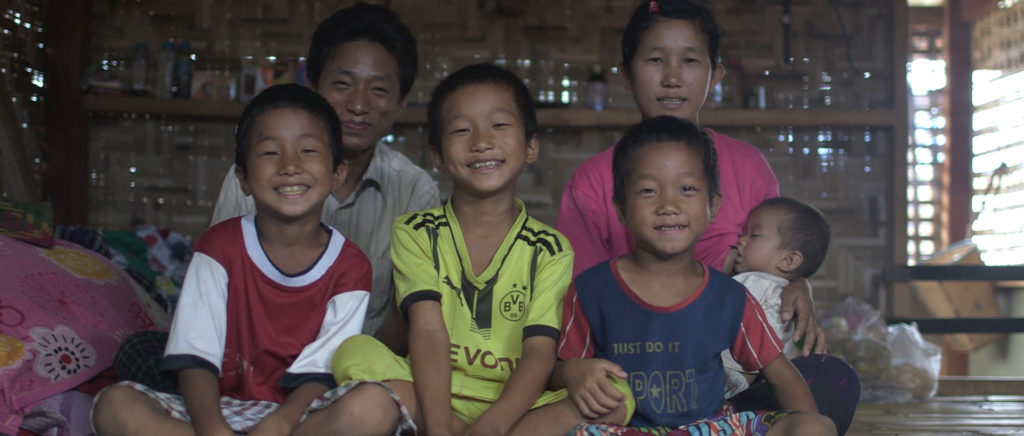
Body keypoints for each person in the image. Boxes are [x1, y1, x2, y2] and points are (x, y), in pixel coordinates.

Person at [554, 2, 860, 434]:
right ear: (626, 72)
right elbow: (578, 310)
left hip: (736, 377)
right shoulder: (590, 182)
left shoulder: (749, 167)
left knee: (833, 379)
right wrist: (576, 374)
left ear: (715, 74)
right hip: (629, 388)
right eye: (656, 59)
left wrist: (797, 283)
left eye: (691, 61)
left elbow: (778, 254)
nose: (673, 77)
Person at [92, 84, 373, 435]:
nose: (290, 165)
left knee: (373, 407)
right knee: (114, 406)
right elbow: (196, 355)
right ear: (242, 178)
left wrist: (282, 422)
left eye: (308, 150)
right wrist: (212, 428)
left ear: (337, 173)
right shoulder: (219, 247)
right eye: (270, 152)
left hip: (301, 418)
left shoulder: (351, 265)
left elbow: (325, 369)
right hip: (215, 410)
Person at [323, 63, 580, 436]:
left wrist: (490, 426)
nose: (481, 141)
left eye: (499, 125)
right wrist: (441, 426)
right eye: (461, 130)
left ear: (530, 146)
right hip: (429, 390)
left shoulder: (551, 249)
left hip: (512, 403)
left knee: (616, 397)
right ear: (438, 156)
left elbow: (540, 351)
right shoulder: (416, 233)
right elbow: (426, 329)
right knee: (355, 351)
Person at [557, 115, 836, 436]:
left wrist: (807, 423)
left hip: (711, 428)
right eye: (648, 190)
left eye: (687, 188)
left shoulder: (730, 296)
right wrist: (571, 372)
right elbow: (557, 368)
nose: (669, 205)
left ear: (713, 205)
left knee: (814, 427)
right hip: (620, 429)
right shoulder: (592, 289)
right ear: (620, 208)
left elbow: (782, 375)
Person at [210, 3, 438, 347]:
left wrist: (356, 373)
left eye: (378, 90)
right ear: (313, 85)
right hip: (251, 360)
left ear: (401, 102)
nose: (358, 105)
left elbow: (407, 317)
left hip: (357, 375)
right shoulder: (259, 175)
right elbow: (218, 289)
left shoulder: (415, 191)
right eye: (343, 84)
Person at [723, 197, 831, 399]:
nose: (741, 240)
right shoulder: (784, 294)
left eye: (754, 235)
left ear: (788, 260)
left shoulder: (755, 284)